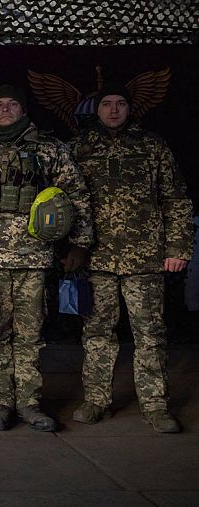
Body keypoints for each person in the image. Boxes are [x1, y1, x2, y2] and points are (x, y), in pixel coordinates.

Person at [0, 85, 93, 431]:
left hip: (33, 257)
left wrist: (79, 245)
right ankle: (0, 402)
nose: (6, 109)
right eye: (0, 104)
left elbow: (76, 195)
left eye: (13, 104)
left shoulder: (48, 149)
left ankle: (29, 402)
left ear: (23, 110)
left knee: (30, 333)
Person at [70, 83, 193, 433]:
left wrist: (178, 248)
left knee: (150, 333)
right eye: (107, 104)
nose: (114, 110)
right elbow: (65, 202)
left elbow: (176, 199)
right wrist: (72, 248)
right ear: (96, 110)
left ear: (129, 108)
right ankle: (96, 400)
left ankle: (155, 406)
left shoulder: (152, 146)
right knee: (97, 333)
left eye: (120, 103)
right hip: (97, 258)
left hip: (144, 258)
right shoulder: (80, 148)